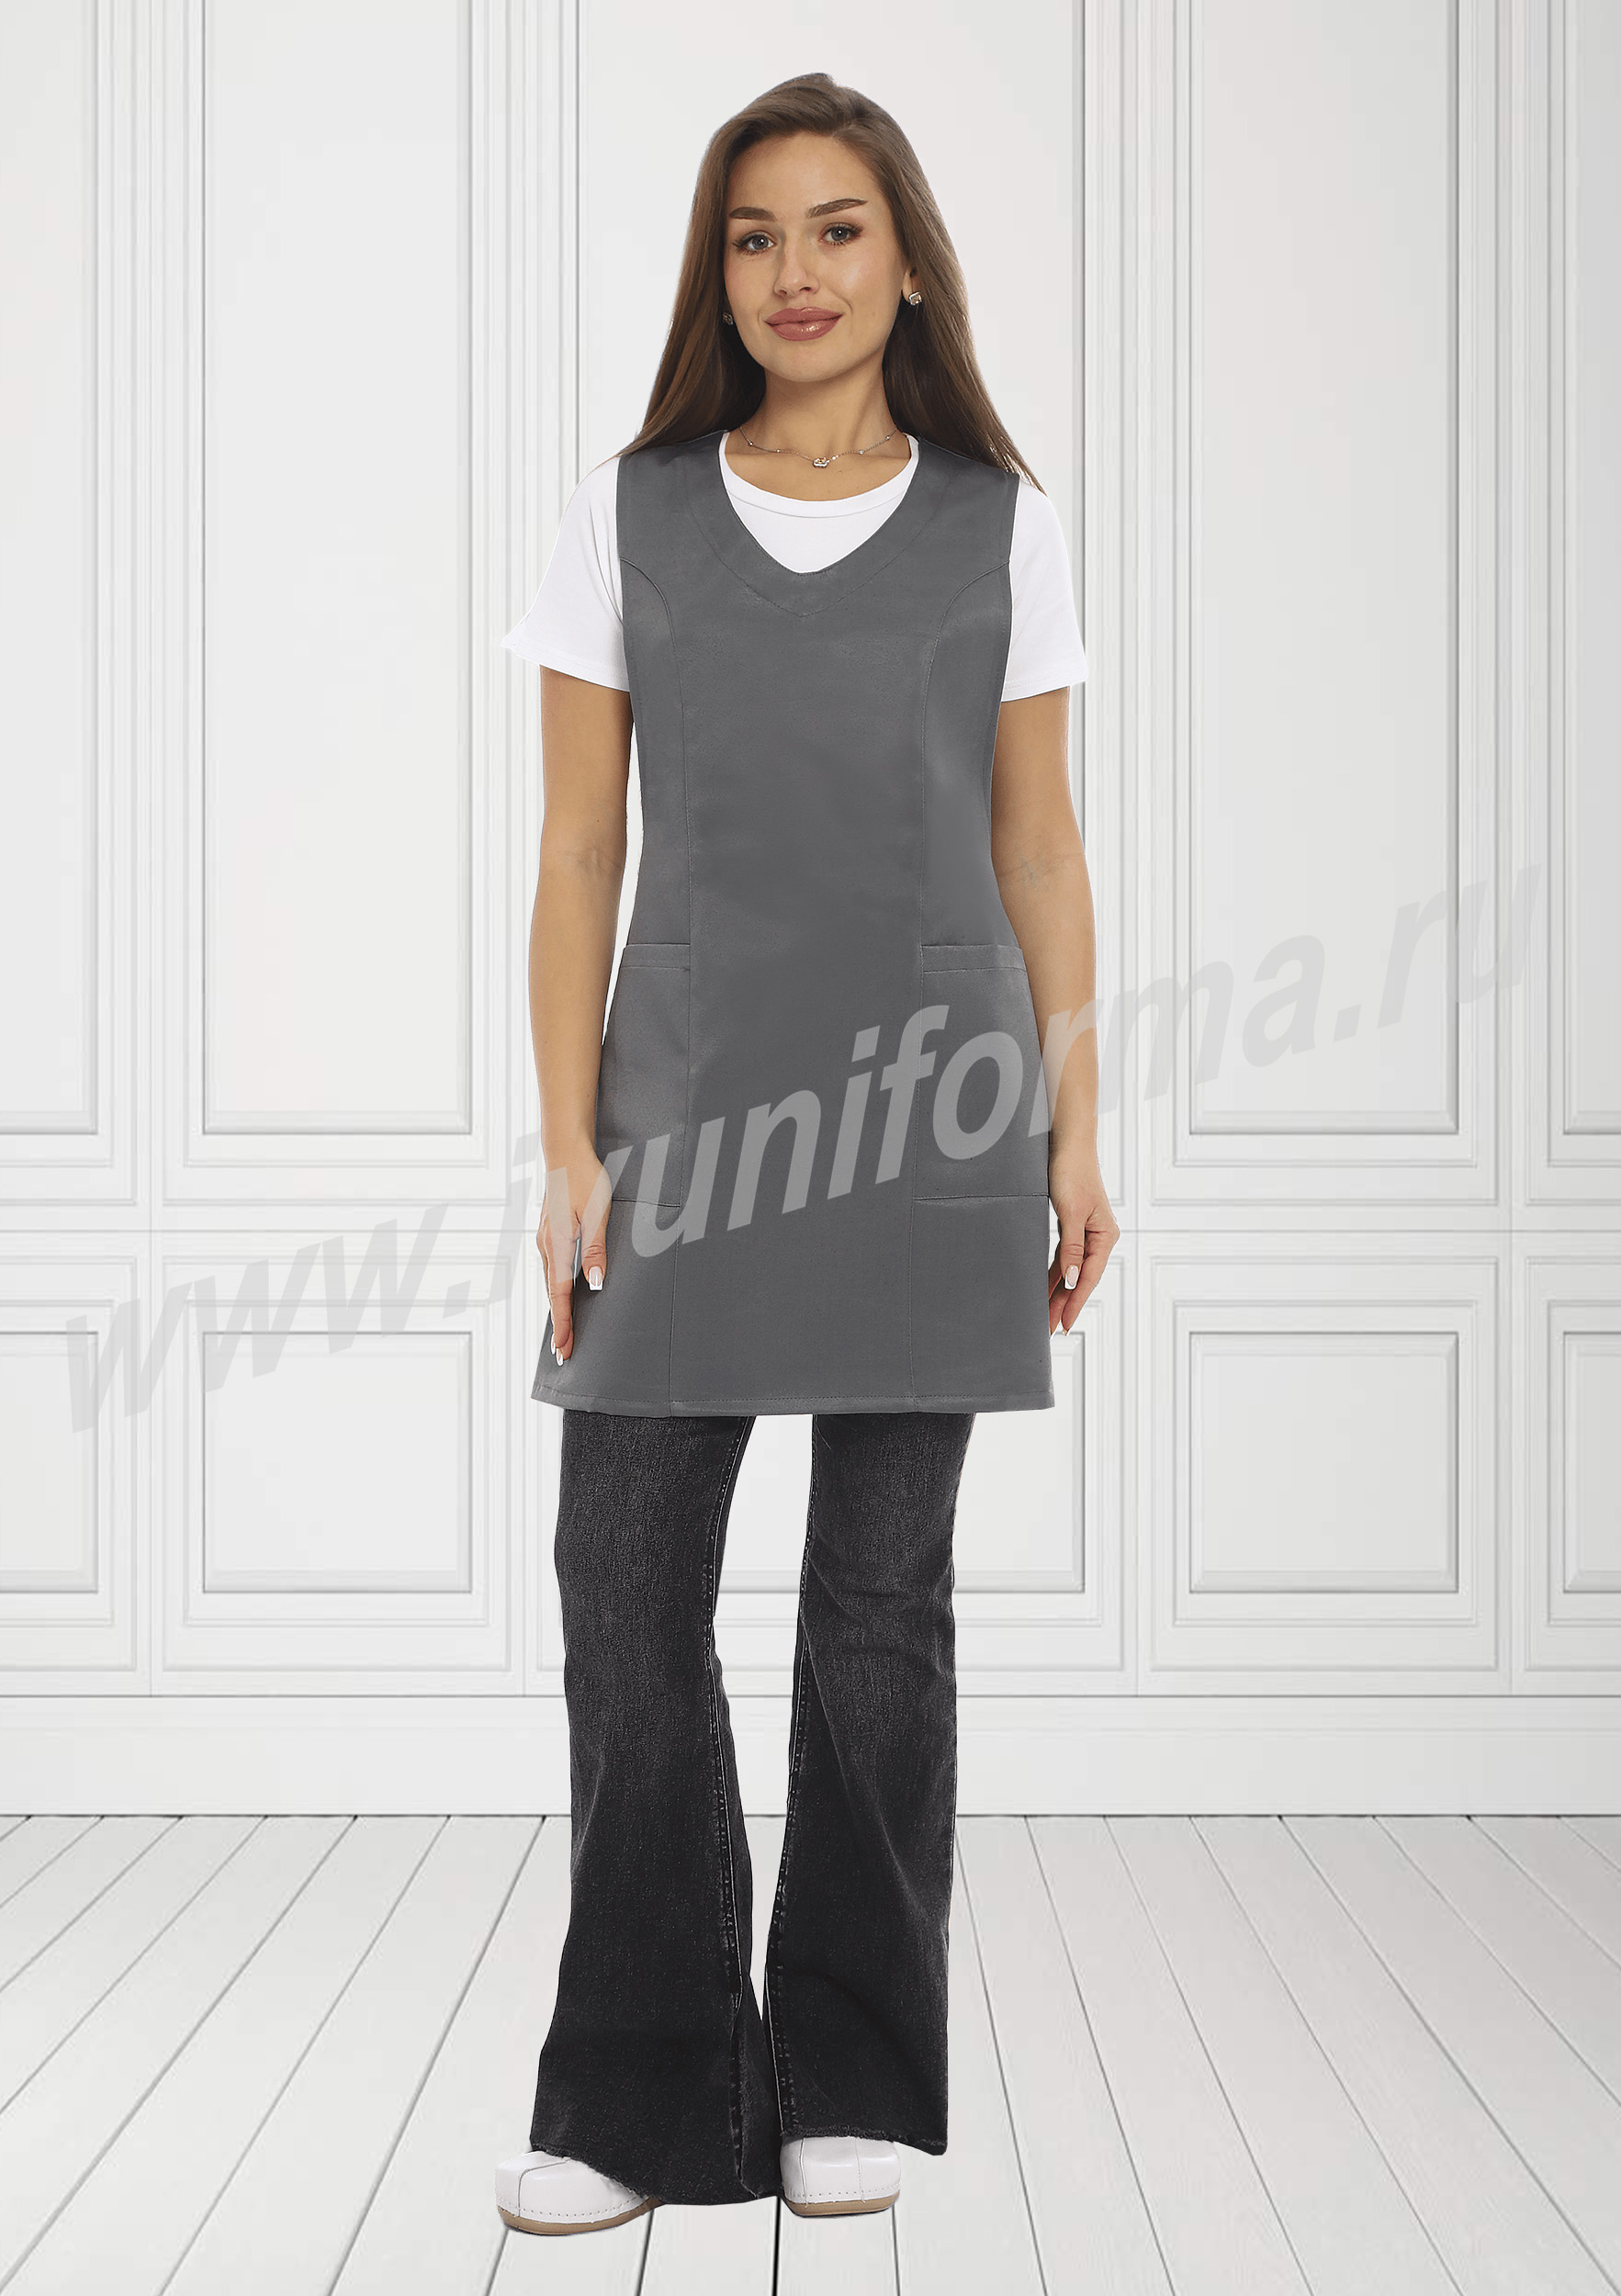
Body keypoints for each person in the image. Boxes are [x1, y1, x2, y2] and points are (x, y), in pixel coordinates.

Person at [493, 70, 1118, 2237]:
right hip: (681, 1123)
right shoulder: (628, 513)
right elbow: (576, 849)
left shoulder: (1000, 523)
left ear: (908, 260)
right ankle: (641, 2088)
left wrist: (1080, 1121)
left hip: (940, 1119)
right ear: (718, 271)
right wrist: (563, 1136)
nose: (796, 272)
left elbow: (1038, 845)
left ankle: (848, 2065)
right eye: (754, 235)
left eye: (837, 228)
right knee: (622, 1589)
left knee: (876, 1611)